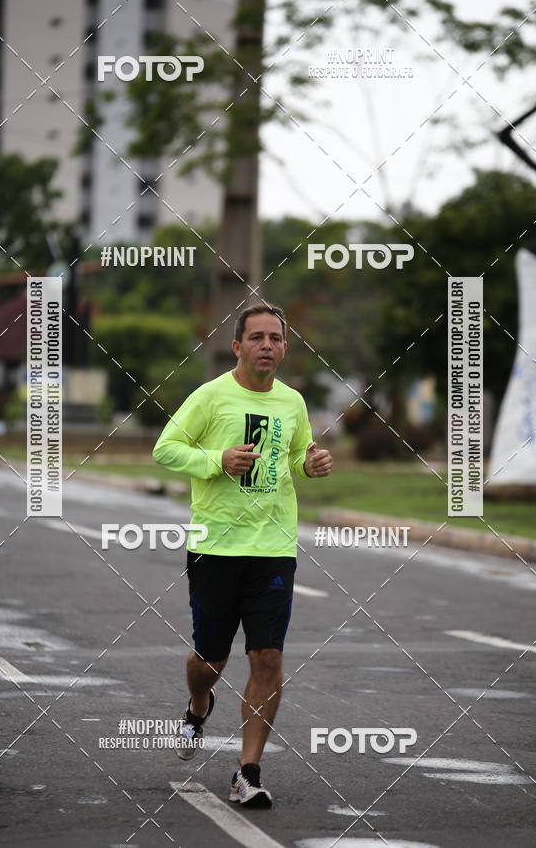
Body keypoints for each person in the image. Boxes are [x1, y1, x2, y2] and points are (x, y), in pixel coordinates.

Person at [152, 302, 332, 808]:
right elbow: (165, 449)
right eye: (257, 338)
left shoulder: (293, 402)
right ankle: (197, 704)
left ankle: (247, 771)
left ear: (284, 348)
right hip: (215, 546)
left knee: (268, 657)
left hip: (274, 547)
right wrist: (216, 459)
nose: (267, 346)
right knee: (210, 659)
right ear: (237, 346)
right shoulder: (211, 397)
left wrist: (311, 462)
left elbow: (296, 454)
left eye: (276, 338)